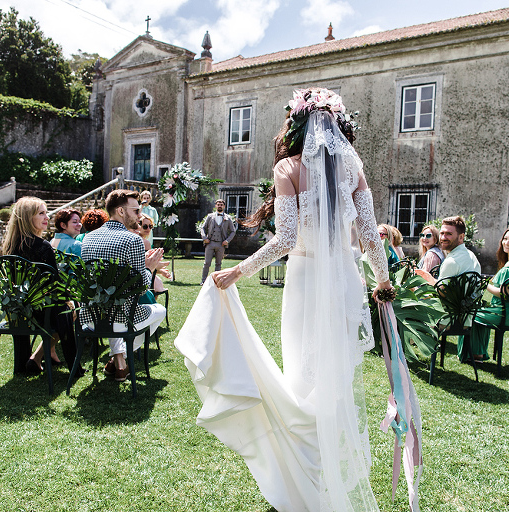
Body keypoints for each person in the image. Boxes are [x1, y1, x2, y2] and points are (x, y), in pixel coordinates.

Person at [176, 88, 403, 512]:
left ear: (295, 126)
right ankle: (322, 477)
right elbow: (372, 238)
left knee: (303, 378)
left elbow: (285, 239)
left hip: (304, 280)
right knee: (334, 383)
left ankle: (305, 480)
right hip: (345, 281)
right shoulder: (354, 168)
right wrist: (383, 280)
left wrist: (239, 271)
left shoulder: (288, 168)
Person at [80, 190, 167, 382]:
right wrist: (149, 268)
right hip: (120, 319)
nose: (139, 215)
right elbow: (141, 287)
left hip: (90, 317)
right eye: (136, 211)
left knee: (115, 305)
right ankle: (122, 357)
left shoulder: (88, 238)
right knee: (159, 310)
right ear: (120, 211)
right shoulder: (133, 239)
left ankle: (117, 359)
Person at [0, 196, 81, 376]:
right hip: (42, 311)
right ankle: (57, 361)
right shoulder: (43, 247)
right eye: (41, 214)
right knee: (71, 309)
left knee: (66, 307)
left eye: (46, 213)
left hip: (17, 309)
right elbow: (54, 285)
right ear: (29, 218)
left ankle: (34, 359)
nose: (47, 218)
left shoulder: (10, 246)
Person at [458, 226, 509, 362]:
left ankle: (471, 354)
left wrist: (484, 284)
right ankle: (477, 354)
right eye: (505, 239)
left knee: (469, 313)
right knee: (479, 312)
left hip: (504, 314)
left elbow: (504, 294)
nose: (506, 243)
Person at [415, 215, 480, 285]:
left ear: (461, 237)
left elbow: (441, 292)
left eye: (449, 234)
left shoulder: (451, 261)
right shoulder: (471, 255)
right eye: (442, 233)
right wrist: (431, 280)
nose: (443, 238)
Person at [199, 199, 236, 285]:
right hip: (210, 243)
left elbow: (233, 231)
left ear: (224, 206)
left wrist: (227, 241)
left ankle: (216, 281)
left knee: (218, 263)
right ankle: (203, 281)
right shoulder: (210, 216)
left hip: (221, 244)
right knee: (207, 263)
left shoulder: (228, 218)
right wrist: (204, 237)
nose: (220, 206)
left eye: (221, 204)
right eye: (218, 204)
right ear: (215, 206)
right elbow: (203, 228)